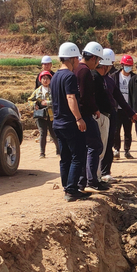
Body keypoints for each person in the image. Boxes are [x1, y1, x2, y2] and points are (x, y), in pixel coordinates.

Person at [50, 42, 90, 202]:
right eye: (76, 59)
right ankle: (72, 189)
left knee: (65, 157)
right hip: (69, 123)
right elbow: (71, 97)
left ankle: (67, 186)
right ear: (72, 58)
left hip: (57, 123)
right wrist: (79, 118)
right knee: (77, 156)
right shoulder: (69, 76)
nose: (78, 63)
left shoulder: (54, 77)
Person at [97, 48, 137, 181]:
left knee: (108, 144)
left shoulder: (109, 80)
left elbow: (120, 98)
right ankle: (95, 176)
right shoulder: (96, 78)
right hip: (98, 116)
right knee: (99, 146)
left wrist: (132, 113)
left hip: (110, 115)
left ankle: (104, 173)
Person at [76, 41, 108, 192]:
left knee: (87, 147)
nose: (98, 63)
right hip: (84, 115)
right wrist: (95, 109)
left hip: (79, 115)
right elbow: (85, 96)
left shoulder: (77, 69)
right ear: (93, 57)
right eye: (98, 60)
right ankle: (91, 180)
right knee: (95, 145)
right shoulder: (85, 72)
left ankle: (86, 180)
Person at [29, 70, 58, 158]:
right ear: (40, 80)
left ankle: (59, 150)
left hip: (52, 115)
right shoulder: (37, 91)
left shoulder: (54, 90)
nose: (45, 80)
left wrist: (48, 103)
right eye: (43, 78)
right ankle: (42, 153)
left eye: (47, 78)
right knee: (42, 133)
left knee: (54, 134)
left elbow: (57, 100)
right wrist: (34, 104)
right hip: (41, 116)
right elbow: (30, 100)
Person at [112, 54, 136, 159]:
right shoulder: (114, 76)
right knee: (116, 130)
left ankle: (127, 151)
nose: (128, 67)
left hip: (128, 110)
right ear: (122, 65)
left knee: (128, 131)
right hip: (117, 109)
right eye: (126, 65)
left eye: (130, 65)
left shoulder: (135, 78)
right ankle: (116, 150)